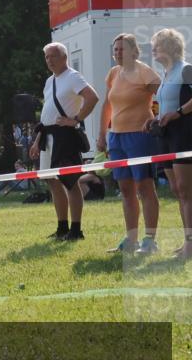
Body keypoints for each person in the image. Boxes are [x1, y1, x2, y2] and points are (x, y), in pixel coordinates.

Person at [97, 34, 161, 254]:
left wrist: (155, 117)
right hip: (116, 137)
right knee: (125, 189)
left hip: (139, 137)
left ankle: (150, 240)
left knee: (144, 186)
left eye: (122, 49)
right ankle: (131, 239)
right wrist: (102, 133)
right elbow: (107, 104)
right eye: (115, 49)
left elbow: (163, 94)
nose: (117, 53)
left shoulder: (144, 71)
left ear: (134, 51)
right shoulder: (114, 73)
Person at [29, 43, 99, 242]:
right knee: (52, 181)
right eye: (47, 57)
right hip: (48, 137)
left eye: (53, 56)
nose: (49, 60)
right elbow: (46, 115)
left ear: (64, 57)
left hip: (65, 136)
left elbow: (92, 97)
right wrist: (37, 141)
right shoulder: (49, 81)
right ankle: (62, 227)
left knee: (70, 182)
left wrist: (76, 119)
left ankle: (76, 230)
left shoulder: (73, 77)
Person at [150, 28, 192, 260]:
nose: (154, 49)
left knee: (187, 192)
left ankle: (190, 245)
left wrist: (176, 113)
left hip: (184, 134)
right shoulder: (165, 74)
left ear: (172, 47)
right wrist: (154, 120)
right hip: (166, 136)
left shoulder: (186, 69)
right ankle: (188, 242)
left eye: (159, 44)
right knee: (178, 191)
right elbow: (162, 106)